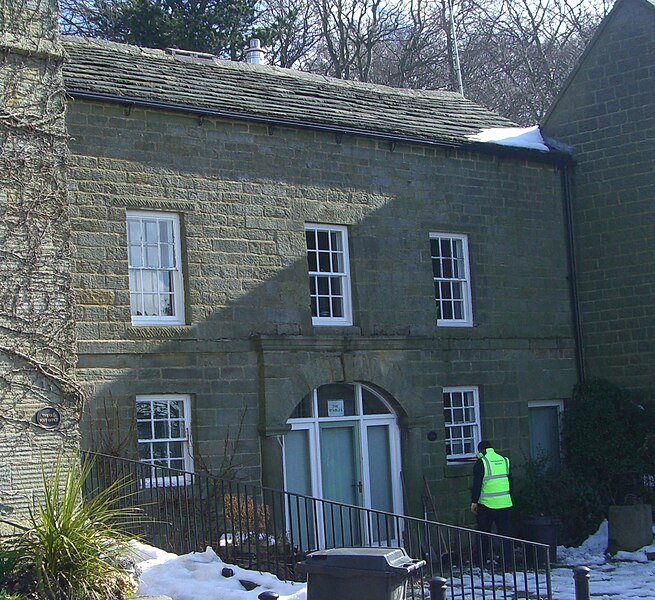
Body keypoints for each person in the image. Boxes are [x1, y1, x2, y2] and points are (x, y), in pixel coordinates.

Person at [471, 440, 513, 563]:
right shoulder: (505, 460)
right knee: (505, 534)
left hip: (487, 504)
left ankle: (481, 559)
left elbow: (477, 484)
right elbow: (511, 481)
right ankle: (507, 561)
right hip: (505, 503)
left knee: (484, 533)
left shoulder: (482, 462)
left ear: (480, 450)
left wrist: (474, 502)